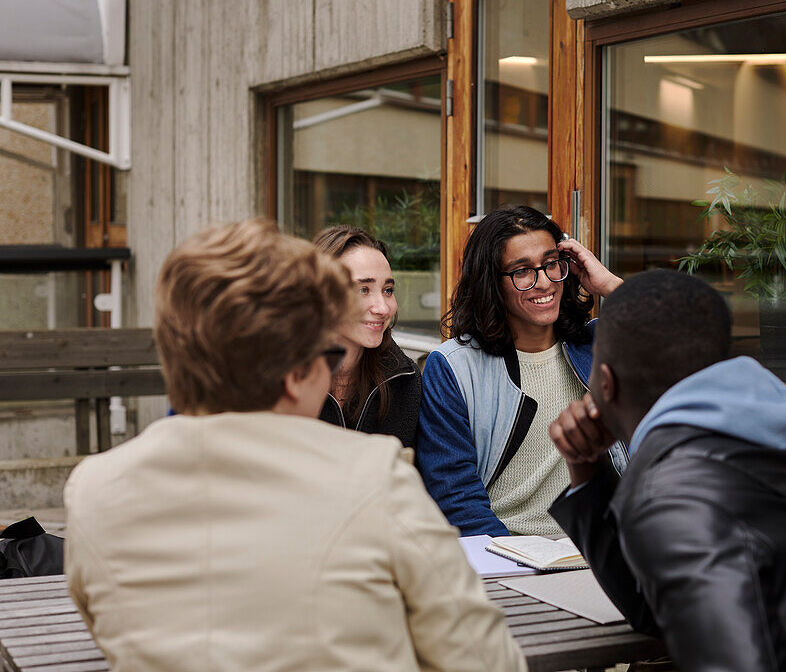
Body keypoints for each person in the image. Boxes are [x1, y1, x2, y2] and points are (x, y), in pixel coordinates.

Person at [63, 219, 525, 672]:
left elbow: (110, 633)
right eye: (327, 354)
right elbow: (484, 658)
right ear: (295, 372)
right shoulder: (375, 478)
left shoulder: (92, 488)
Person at [546, 269, 786, 671]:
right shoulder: (776, 442)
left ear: (604, 381)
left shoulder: (668, 491)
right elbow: (651, 607)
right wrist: (587, 468)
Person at [416, 205, 626, 536]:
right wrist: (515, 562)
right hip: (507, 557)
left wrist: (611, 285)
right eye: (522, 271)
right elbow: (456, 498)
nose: (544, 282)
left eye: (551, 264)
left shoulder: (601, 343)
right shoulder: (453, 367)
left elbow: (690, 350)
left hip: (603, 551)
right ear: (491, 283)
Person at [312, 225, 421, 447]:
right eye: (363, 290)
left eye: (388, 290)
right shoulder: (282, 376)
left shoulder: (404, 378)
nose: (382, 308)